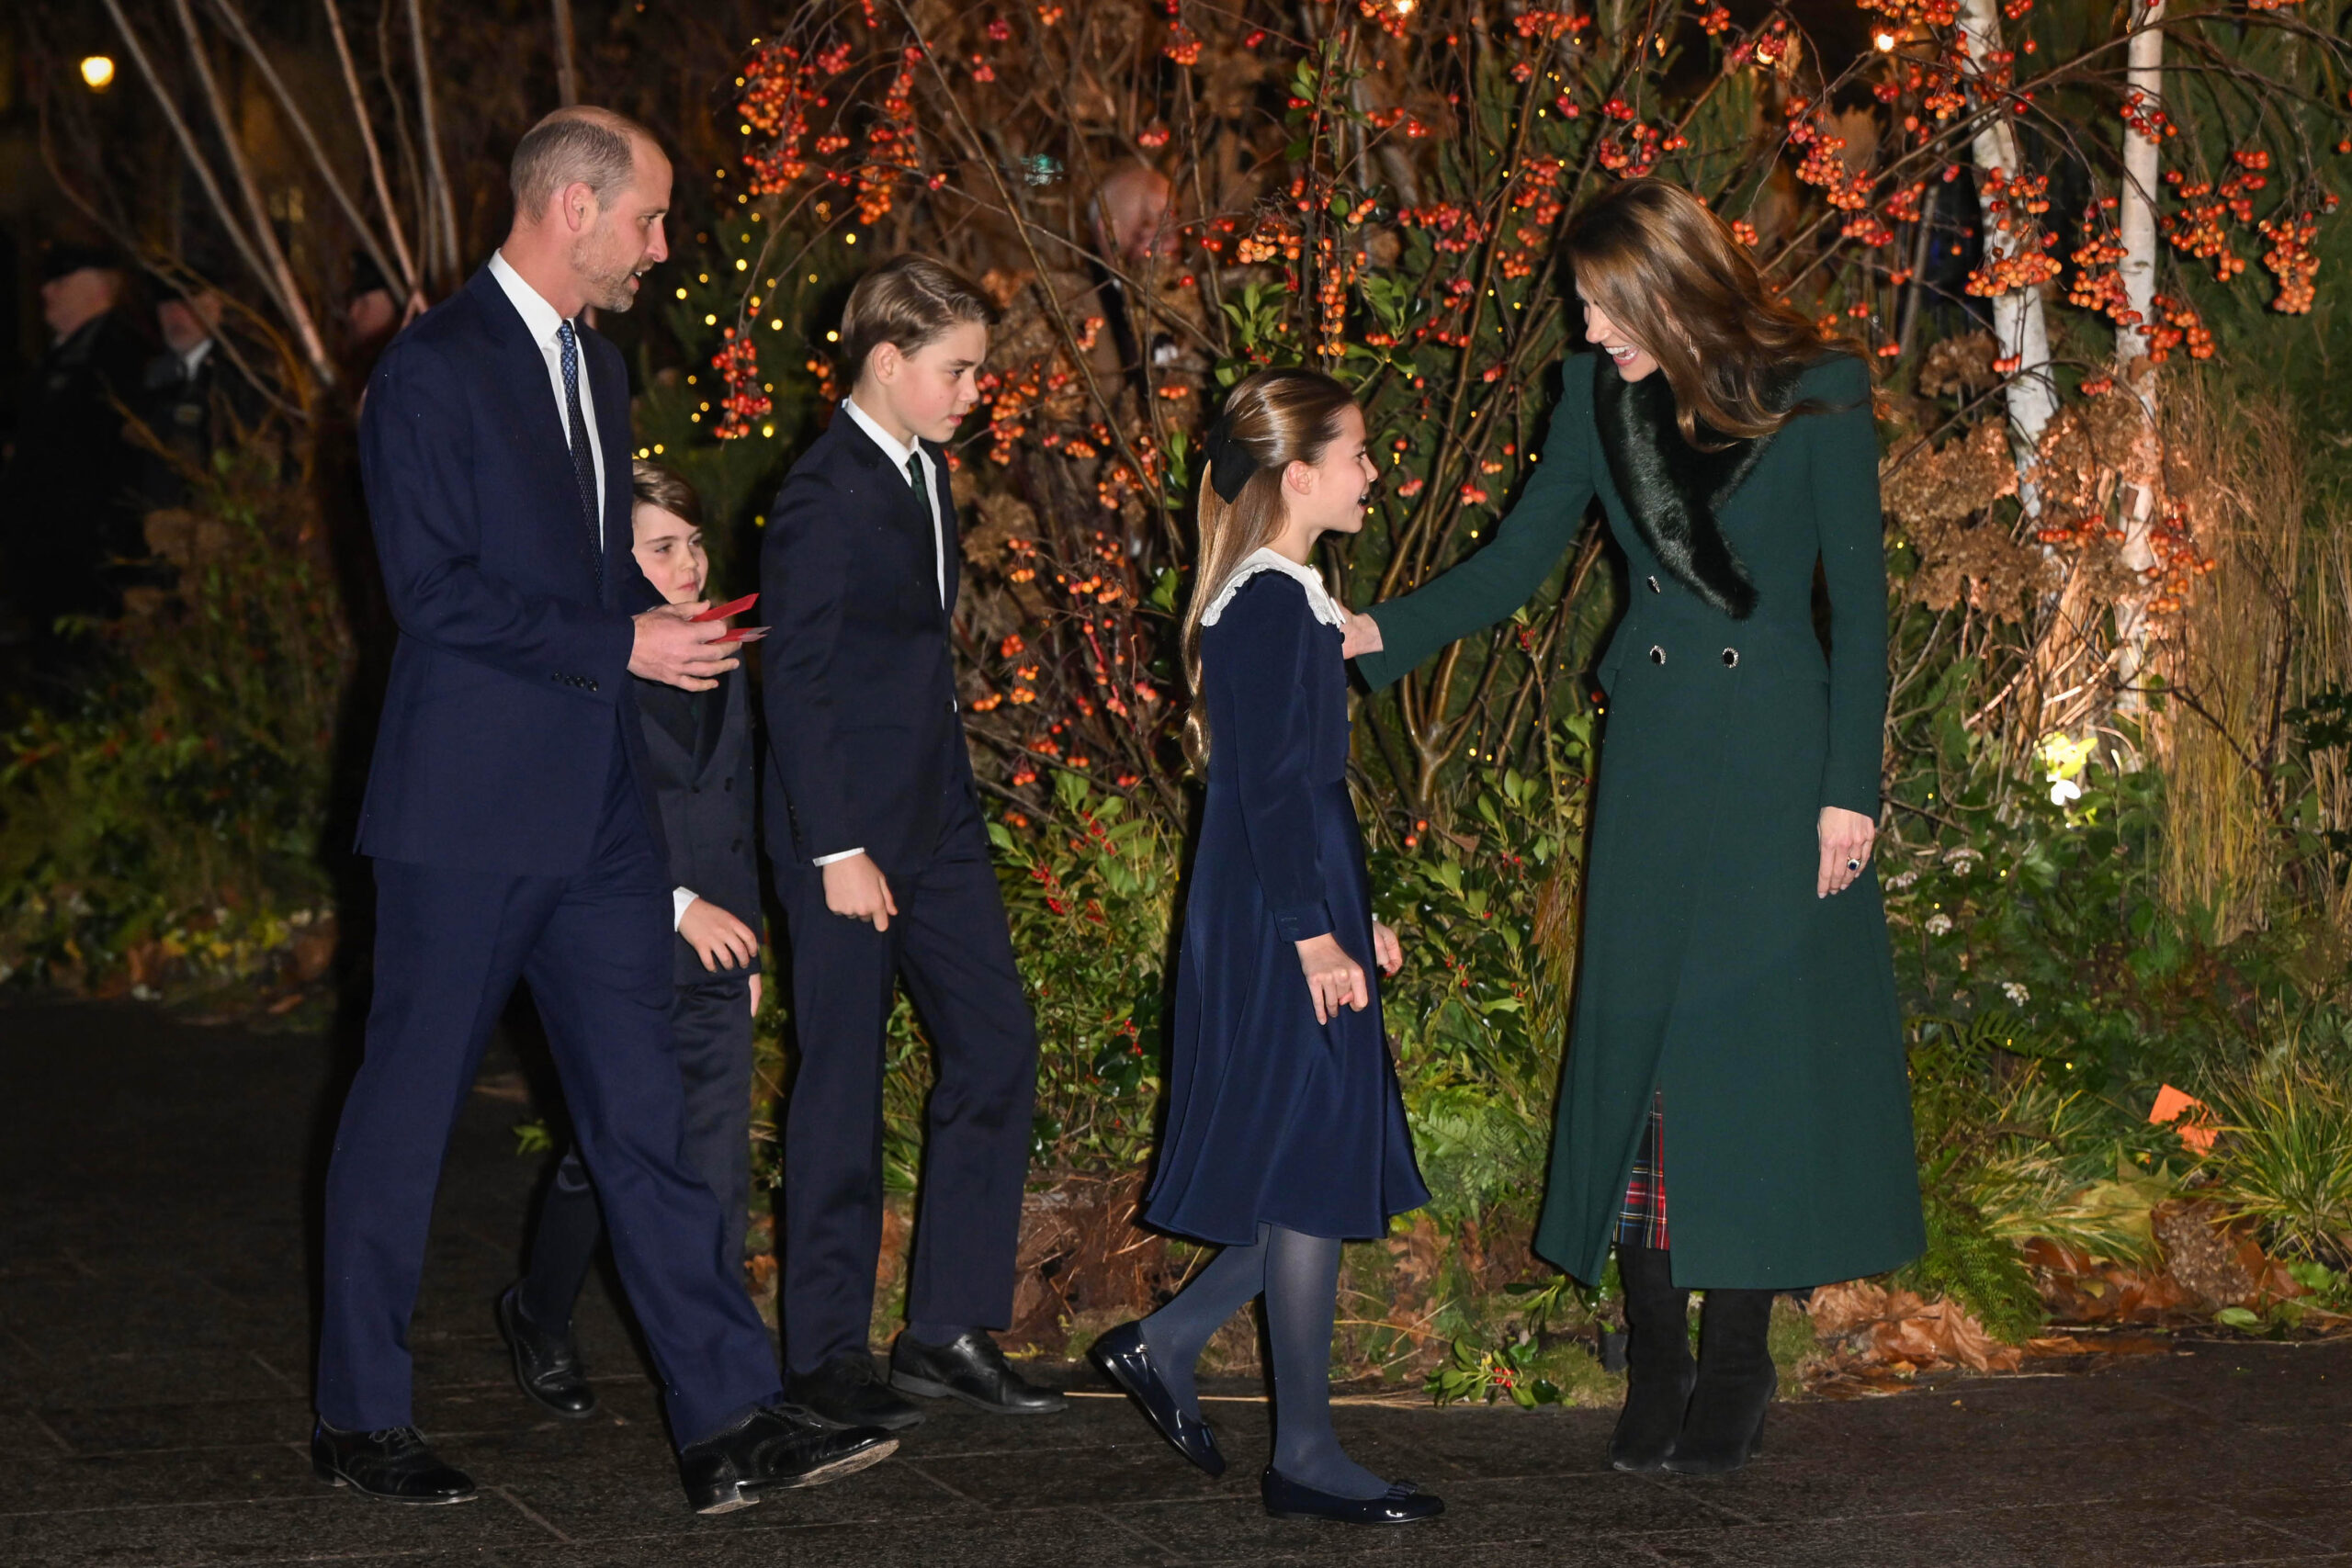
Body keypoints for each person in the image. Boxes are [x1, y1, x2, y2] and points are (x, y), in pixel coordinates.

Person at [314, 105, 895, 1515]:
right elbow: (435, 593)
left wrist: (666, 623)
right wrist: (623, 640)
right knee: (404, 1111)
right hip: (463, 812)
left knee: (650, 1117)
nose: (659, 246)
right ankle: (357, 1416)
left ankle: (726, 1419)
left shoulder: (600, 366)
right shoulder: (432, 372)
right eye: (646, 218)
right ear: (571, 207)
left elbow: (584, 577)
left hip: (597, 811)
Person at [1342, 176, 1925, 1476]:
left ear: (1670, 287)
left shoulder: (1820, 386)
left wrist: (1852, 788)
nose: (1588, 330)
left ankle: (1737, 1361)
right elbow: (1513, 561)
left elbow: (1862, 605)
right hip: (1660, 753)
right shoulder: (1593, 400)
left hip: (1779, 761)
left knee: (1751, 1063)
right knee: (1645, 1057)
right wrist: (1375, 631)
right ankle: (1655, 1354)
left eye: (1607, 307)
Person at [1091, 367, 1441, 1527]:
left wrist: (1353, 913)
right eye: (1358, 454)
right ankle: (1298, 1451)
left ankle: (1173, 1347)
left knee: (1314, 1158)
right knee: (1309, 1165)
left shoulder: (1286, 595)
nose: (1373, 473)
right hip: (1273, 914)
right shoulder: (1269, 604)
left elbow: (1300, 793)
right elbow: (1264, 789)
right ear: (1300, 475)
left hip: (1293, 897)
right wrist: (1311, 933)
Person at [761, 254, 1065, 1431]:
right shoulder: (821, 492)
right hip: (843, 841)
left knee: (996, 1044)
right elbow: (794, 676)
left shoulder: (923, 473)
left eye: (977, 370)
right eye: (958, 370)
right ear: (886, 363)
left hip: (934, 827)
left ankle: (942, 1328)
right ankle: (825, 1354)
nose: (974, 390)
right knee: (840, 1087)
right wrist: (835, 847)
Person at [498, 460, 767, 1421]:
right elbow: (573, 817)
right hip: (615, 935)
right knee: (603, 1149)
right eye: (663, 548)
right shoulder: (583, 665)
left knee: (714, 1149)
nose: (689, 563)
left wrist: (748, 946)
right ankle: (537, 1309)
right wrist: (679, 904)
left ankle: (732, 1382)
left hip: (717, 947)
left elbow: (731, 804)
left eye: (694, 542)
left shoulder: (727, 647)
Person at [0, 242, 149, 677]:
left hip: (90, 558)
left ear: (96, 288)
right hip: (52, 555)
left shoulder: (117, 354)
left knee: (83, 668)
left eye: (61, 283)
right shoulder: (62, 356)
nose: (47, 293)